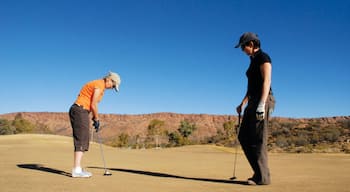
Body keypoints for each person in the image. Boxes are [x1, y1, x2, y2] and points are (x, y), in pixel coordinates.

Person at [234, 32, 275, 185]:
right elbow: (251, 87)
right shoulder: (252, 61)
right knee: (243, 136)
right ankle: (259, 172)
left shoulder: (264, 58)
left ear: (251, 44)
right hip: (252, 101)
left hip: (262, 100)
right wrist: (243, 103)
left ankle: (262, 178)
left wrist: (261, 105)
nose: (242, 50)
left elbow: (267, 81)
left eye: (243, 46)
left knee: (258, 139)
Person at [69, 71, 121, 178]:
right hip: (80, 109)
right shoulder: (99, 85)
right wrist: (96, 118)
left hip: (81, 110)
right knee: (82, 138)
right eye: (113, 85)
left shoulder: (99, 85)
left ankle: (77, 168)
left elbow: (91, 103)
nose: (112, 88)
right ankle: (76, 170)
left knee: (84, 138)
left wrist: (93, 117)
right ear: (109, 79)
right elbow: (93, 104)